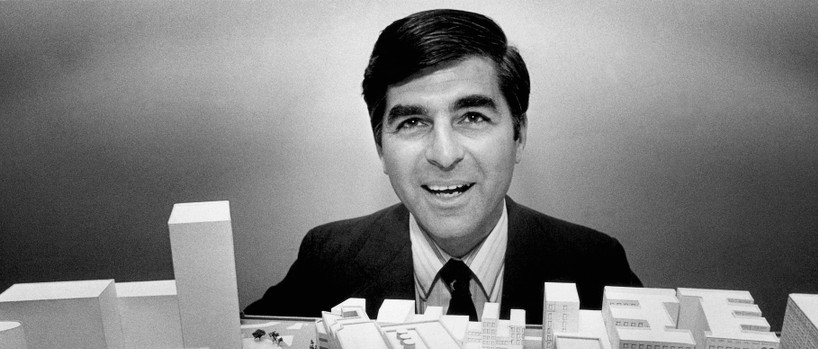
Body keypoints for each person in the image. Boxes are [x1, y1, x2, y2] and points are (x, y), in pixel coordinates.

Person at [245, 8, 640, 323]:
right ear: (381, 147)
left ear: (518, 135)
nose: (445, 154)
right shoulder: (328, 258)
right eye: (413, 122)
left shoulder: (595, 265)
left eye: (472, 117)